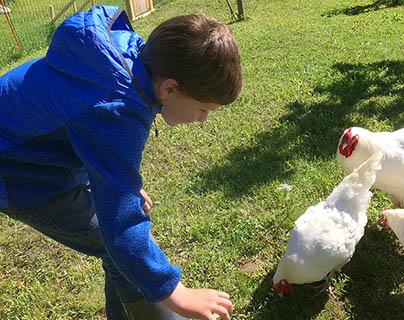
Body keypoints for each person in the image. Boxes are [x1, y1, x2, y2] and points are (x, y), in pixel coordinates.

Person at [0, 5, 242, 320]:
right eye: (203, 109)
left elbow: (85, 130)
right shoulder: (117, 108)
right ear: (170, 88)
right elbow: (121, 225)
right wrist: (176, 294)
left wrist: (121, 187)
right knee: (118, 242)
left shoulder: (132, 61)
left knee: (123, 247)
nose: (202, 120)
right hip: (18, 174)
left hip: (30, 154)